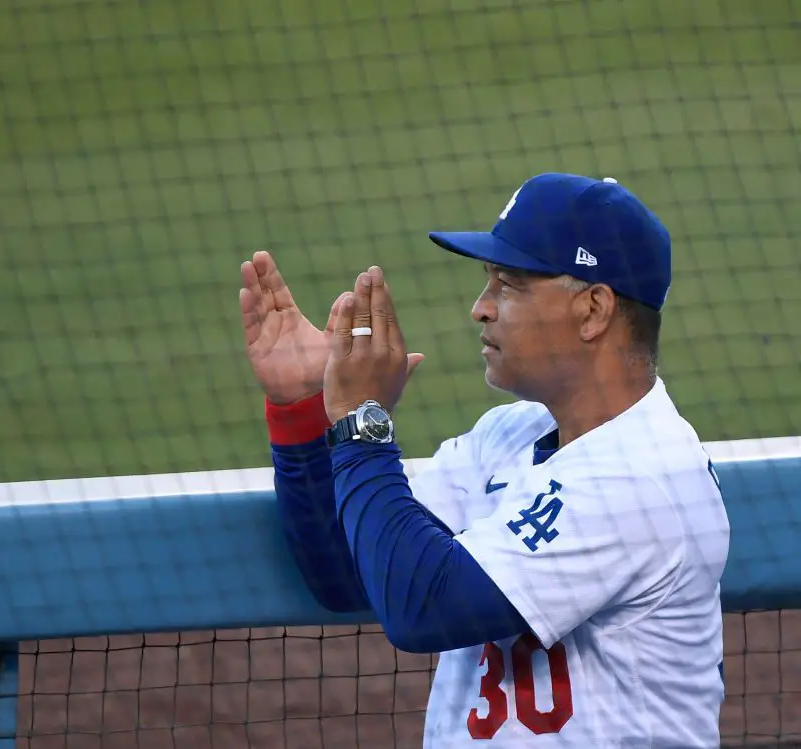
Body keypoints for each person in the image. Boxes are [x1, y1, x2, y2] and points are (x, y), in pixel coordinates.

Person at [238, 172, 730, 747]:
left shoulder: (645, 476)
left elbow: (424, 607)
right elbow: (347, 575)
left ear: (593, 309)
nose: (480, 308)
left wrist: (360, 421)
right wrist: (304, 410)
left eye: (509, 284)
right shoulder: (507, 435)